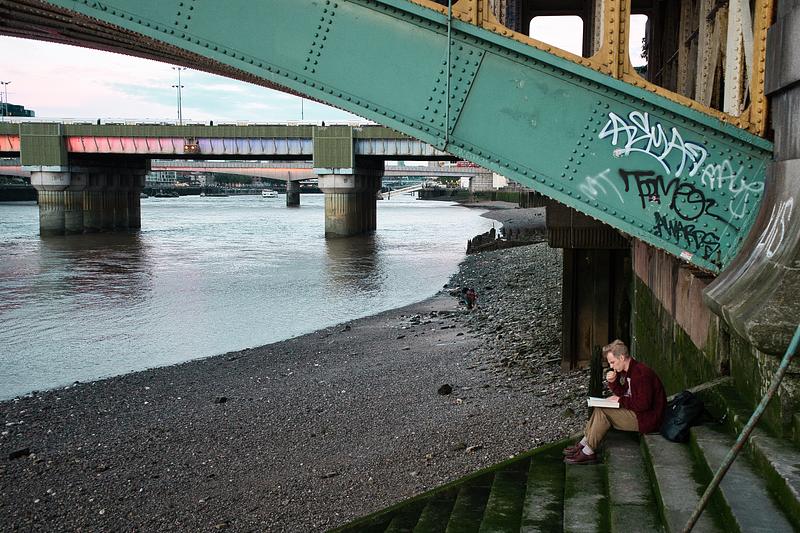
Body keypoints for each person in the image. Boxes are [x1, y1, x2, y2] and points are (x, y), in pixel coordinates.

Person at [563, 339, 666, 465]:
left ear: (621, 357)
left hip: (648, 419)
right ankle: (584, 443)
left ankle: (588, 452)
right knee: (599, 408)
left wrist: (620, 400)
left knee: (603, 412)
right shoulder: (630, 371)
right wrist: (613, 382)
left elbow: (643, 404)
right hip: (640, 414)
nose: (611, 366)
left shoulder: (640, 374)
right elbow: (623, 393)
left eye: (612, 362)